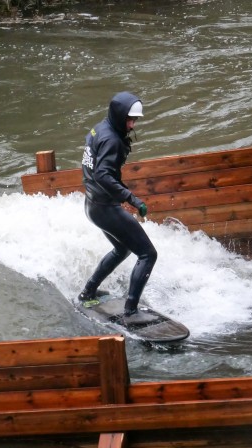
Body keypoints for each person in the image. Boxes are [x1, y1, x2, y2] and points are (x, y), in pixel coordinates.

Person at [78, 91, 157, 320]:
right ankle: (131, 311)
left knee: (122, 249)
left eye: (135, 120)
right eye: (129, 120)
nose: (132, 125)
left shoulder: (99, 128)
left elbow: (95, 170)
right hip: (105, 208)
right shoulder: (112, 139)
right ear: (119, 115)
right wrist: (132, 199)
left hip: (92, 204)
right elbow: (103, 175)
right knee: (148, 254)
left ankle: (88, 292)